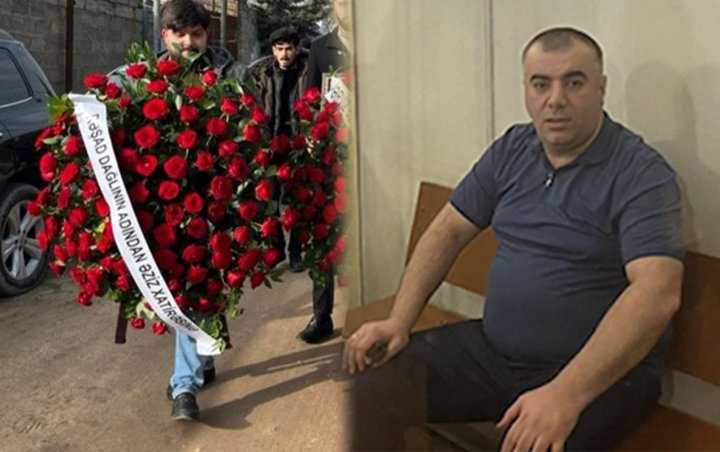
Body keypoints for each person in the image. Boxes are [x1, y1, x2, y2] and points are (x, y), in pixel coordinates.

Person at [343, 27, 684, 451]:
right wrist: (399, 321)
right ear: (526, 89)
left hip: (600, 375)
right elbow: (448, 229)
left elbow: (657, 293)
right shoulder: (513, 149)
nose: (555, 99)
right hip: (496, 353)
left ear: (601, 89)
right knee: (365, 391)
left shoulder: (641, 174)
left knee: (529, 445)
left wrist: (565, 394)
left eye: (574, 82)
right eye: (541, 84)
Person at [153, 0, 242, 422]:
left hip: (217, 199)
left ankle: (185, 384)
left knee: (202, 286)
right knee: (189, 289)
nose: (189, 42)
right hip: (168, 204)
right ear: (165, 35)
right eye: (180, 34)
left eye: (198, 34)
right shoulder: (147, 77)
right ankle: (197, 367)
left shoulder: (230, 76)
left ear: (208, 35)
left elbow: (251, 128)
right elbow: (110, 95)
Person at [295, 0, 353, 345]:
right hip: (331, 158)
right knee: (323, 232)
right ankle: (322, 314)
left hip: (372, 154)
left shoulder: (381, 47)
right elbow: (309, 102)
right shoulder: (320, 48)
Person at [244, 26, 308, 273]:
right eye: (279, 49)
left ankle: (296, 251)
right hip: (269, 145)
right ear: (273, 50)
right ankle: (277, 247)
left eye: (289, 49)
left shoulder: (305, 72)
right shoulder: (261, 73)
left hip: (296, 146)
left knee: (296, 203)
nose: (284, 54)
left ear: (296, 49)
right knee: (269, 201)